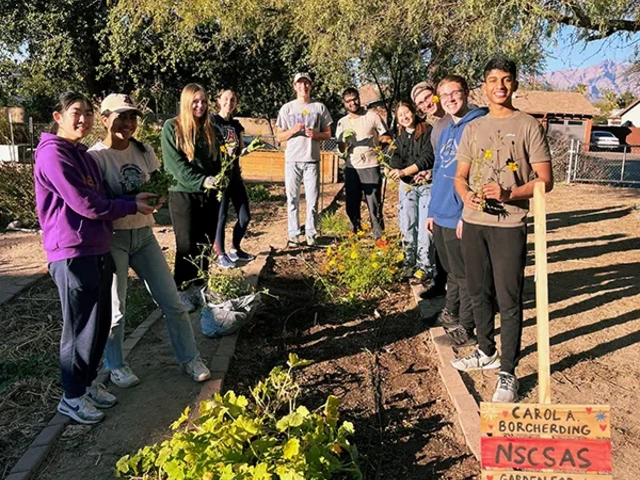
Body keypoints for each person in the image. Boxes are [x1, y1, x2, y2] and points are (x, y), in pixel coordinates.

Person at [34, 91, 155, 424]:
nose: (83, 119)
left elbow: (103, 195)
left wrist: (133, 198)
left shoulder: (83, 155)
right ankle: (71, 397)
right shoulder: (53, 155)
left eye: (87, 113)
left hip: (98, 248)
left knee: (99, 324)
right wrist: (130, 206)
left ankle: (86, 385)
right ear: (58, 117)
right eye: (76, 112)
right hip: (71, 252)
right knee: (78, 328)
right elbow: (85, 204)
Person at [88, 93, 211, 389]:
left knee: (172, 302)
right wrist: (132, 200)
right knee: (116, 310)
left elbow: (159, 182)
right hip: (112, 238)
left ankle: (189, 358)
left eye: (132, 117)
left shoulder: (143, 151)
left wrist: (157, 198)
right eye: (121, 116)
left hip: (144, 235)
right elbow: (95, 201)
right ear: (105, 118)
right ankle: (115, 364)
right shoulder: (95, 157)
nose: (128, 123)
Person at [451, 57, 553, 402]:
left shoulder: (528, 126)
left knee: (508, 299)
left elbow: (545, 181)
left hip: (509, 224)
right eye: (493, 79)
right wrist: (466, 197)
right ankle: (485, 350)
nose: (500, 86)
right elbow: (460, 176)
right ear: (484, 86)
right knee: (478, 293)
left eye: (506, 80)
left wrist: (509, 194)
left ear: (515, 86)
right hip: (475, 223)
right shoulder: (473, 128)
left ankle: (508, 371)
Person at [425, 75, 488, 347]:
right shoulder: (448, 127)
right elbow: (439, 168)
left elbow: (480, 173)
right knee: (451, 269)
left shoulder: (478, 124)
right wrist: (431, 209)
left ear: (466, 93)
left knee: (465, 275)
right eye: (444, 95)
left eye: (456, 93)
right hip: (441, 210)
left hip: (460, 212)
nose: (450, 99)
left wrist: (467, 213)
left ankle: (467, 327)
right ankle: (451, 313)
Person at [162, 84, 222, 312]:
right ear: (186, 102)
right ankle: (182, 290)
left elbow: (218, 160)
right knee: (186, 244)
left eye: (204, 101)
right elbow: (174, 166)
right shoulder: (172, 128)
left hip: (208, 194)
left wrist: (220, 177)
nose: (200, 106)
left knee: (205, 243)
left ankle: (200, 285)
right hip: (184, 194)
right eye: (195, 101)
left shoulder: (210, 129)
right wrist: (201, 180)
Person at [276, 72, 332, 247]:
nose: (303, 87)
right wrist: (292, 131)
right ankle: (293, 235)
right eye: (299, 84)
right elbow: (279, 136)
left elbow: (328, 134)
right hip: (292, 160)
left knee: (312, 199)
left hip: (311, 160)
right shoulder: (287, 108)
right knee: (292, 198)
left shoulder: (319, 108)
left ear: (311, 85)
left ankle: (311, 234)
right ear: (294, 86)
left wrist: (315, 134)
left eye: (306, 83)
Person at [387, 101, 435, 280]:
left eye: (407, 113)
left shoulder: (427, 131)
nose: (405, 117)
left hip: (426, 185)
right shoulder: (399, 139)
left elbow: (427, 157)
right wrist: (393, 169)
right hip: (407, 187)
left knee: (424, 228)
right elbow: (395, 159)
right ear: (398, 120)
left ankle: (425, 265)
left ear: (413, 112)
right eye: (401, 115)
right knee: (407, 224)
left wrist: (404, 171)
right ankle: (409, 261)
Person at [335, 87, 391, 239]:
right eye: (348, 101)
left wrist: (379, 148)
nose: (352, 103)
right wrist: (344, 141)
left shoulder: (372, 116)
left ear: (359, 98)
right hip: (351, 167)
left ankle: (379, 238)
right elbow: (340, 148)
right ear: (344, 104)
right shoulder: (342, 123)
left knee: (374, 204)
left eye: (355, 99)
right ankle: (355, 236)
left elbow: (386, 136)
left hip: (371, 165)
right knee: (352, 204)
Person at [411, 82, 448, 297]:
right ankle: (439, 283)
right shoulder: (436, 128)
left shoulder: (459, 119)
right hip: (441, 189)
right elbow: (441, 162)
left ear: (436, 95)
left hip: (460, 192)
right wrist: (430, 174)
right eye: (421, 103)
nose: (426, 104)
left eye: (428, 98)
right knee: (438, 241)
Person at [212, 88, 254, 268]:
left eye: (233, 100)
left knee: (245, 217)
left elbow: (240, 149)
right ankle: (220, 253)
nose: (229, 103)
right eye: (226, 99)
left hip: (235, 175)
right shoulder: (212, 122)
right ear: (219, 101)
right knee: (220, 217)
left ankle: (235, 248)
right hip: (220, 176)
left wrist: (248, 149)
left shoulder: (237, 126)